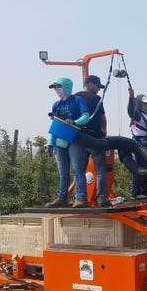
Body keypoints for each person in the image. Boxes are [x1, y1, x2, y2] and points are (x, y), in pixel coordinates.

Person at [45, 76, 90, 208]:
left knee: (77, 169)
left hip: (74, 138)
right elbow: (55, 126)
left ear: (66, 87)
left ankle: (81, 198)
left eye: (59, 87)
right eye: (55, 88)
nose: (57, 90)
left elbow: (86, 116)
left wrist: (75, 122)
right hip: (59, 140)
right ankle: (62, 198)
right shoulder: (56, 105)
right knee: (63, 172)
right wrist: (50, 143)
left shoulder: (77, 100)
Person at [74, 75, 111, 207]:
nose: (98, 89)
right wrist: (104, 132)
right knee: (100, 169)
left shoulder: (74, 97)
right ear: (89, 84)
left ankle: (79, 198)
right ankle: (102, 199)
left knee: (79, 170)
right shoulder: (96, 99)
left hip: (79, 138)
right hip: (95, 138)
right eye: (97, 86)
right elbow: (102, 118)